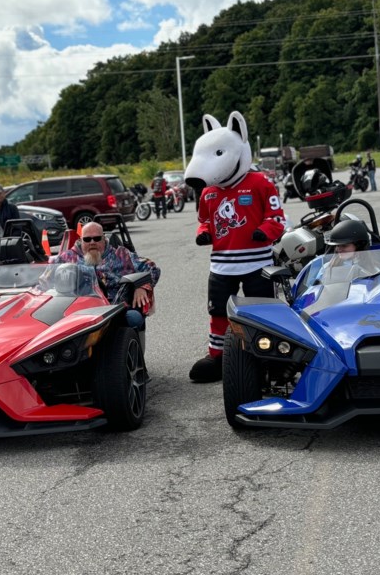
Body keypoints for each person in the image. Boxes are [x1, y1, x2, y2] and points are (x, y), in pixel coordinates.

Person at [184, 111, 286, 383]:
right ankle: (217, 356)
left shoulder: (261, 183)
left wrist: (263, 232)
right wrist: (204, 233)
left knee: (263, 310)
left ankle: (267, 355)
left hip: (257, 262)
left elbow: (276, 218)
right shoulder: (209, 191)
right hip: (222, 264)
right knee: (217, 312)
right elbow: (204, 220)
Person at [49, 221, 160, 329]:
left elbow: (152, 268)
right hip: (76, 311)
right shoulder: (66, 258)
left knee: (133, 318)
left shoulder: (121, 255)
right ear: (81, 240)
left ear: (103, 239)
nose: (92, 242)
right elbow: (43, 280)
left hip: (113, 310)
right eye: (87, 239)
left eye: (97, 238)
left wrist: (141, 286)